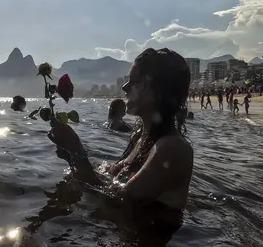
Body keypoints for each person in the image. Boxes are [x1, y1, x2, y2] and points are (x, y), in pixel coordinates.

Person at [47, 47, 194, 228]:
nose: (125, 87)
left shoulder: (172, 149)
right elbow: (106, 182)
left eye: (133, 81)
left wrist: (77, 150)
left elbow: (116, 203)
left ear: (157, 87)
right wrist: (71, 155)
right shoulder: (141, 137)